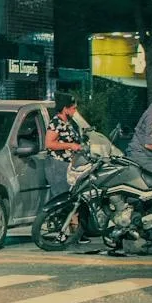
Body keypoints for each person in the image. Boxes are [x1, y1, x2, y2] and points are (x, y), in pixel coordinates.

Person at [42, 93, 90, 243]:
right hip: (57, 165)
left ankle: (76, 234)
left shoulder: (68, 122)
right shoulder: (55, 123)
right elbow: (49, 143)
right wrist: (70, 145)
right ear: (65, 108)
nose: (75, 111)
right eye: (73, 108)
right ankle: (63, 234)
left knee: (73, 197)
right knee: (64, 199)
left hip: (69, 165)